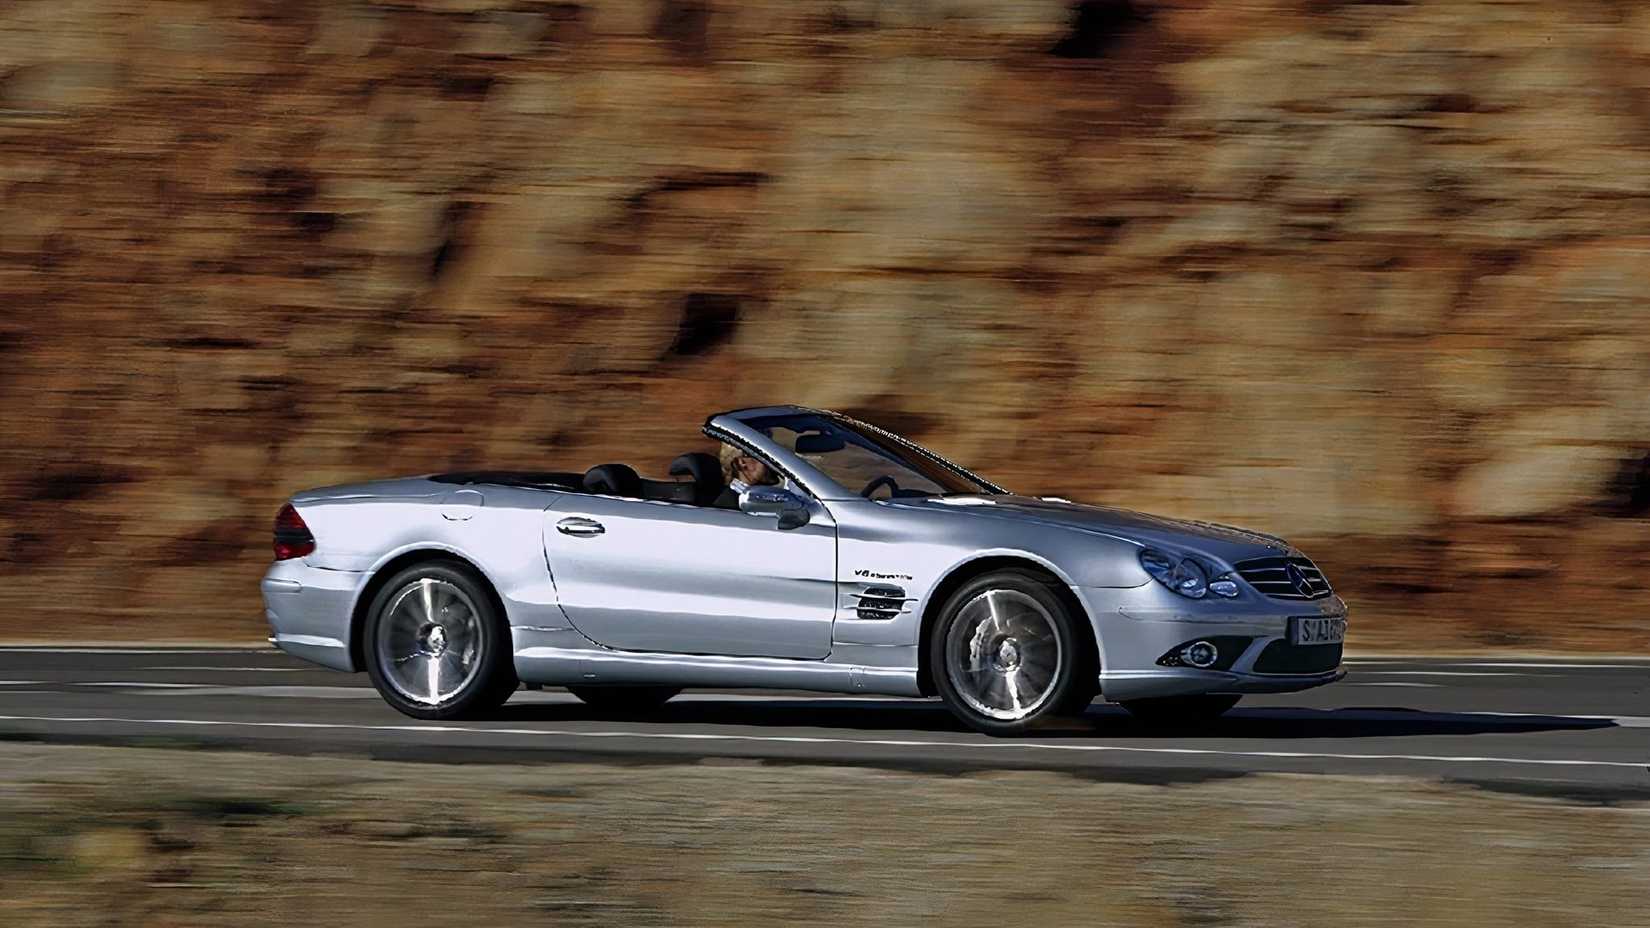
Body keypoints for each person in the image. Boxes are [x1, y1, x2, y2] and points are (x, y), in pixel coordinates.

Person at [716, 443, 778, 508]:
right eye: (762, 456)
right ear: (741, 463)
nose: (770, 461)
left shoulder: (754, 497)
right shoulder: (730, 507)